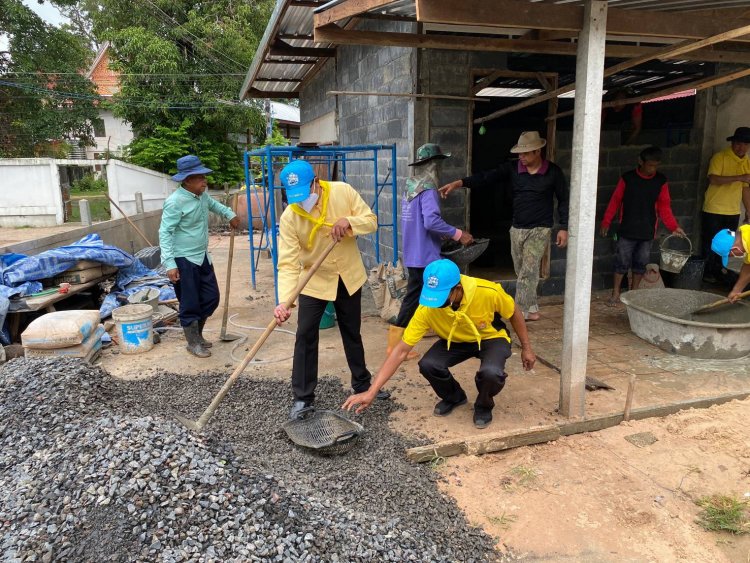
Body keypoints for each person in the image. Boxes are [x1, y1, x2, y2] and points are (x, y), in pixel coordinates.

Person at [343, 259, 536, 429]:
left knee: (491, 373)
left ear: (457, 290)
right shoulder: (427, 307)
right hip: (456, 340)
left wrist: (526, 348)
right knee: (429, 364)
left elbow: (514, 312)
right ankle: (454, 397)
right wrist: (371, 391)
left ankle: (484, 405)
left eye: (442, 296)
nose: (435, 302)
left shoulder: (487, 291)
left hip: (489, 337)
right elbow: (400, 351)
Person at [272, 159, 390, 419]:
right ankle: (303, 398)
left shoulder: (342, 191)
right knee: (305, 334)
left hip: (347, 275)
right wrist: (285, 301)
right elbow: (288, 263)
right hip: (313, 281)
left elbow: (371, 221)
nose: (302, 201)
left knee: (352, 331)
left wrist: (349, 222)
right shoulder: (290, 216)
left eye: (305, 193)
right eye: (295, 197)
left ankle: (362, 383)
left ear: (316, 182)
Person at [439, 131, 569, 322]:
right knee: (521, 270)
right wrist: (459, 183)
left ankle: (518, 312)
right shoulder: (513, 168)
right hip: (517, 228)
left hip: (540, 229)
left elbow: (564, 200)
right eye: (520, 153)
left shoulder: (553, 172)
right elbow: (486, 177)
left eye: (525, 153)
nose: (521, 157)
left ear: (537, 151)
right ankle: (532, 309)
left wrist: (564, 227)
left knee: (528, 272)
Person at [388, 143, 474, 359]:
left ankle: (445, 335)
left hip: (413, 250)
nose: (441, 168)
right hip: (425, 255)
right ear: (434, 164)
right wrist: (457, 234)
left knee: (425, 296)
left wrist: (441, 233)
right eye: (439, 163)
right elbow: (431, 221)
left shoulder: (410, 188)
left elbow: (420, 222)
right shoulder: (428, 190)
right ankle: (394, 347)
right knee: (419, 297)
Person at [160, 155, 241, 358]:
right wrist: (169, 263)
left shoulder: (201, 195)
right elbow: (165, 232)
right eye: (200, 178)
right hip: (183, 259)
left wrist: (229, 214)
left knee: (211, 297)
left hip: (202, 256)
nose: (205, 181)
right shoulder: (175, 202)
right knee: (189, 302)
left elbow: (215, 206)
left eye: (204, 177)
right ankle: (193, 342)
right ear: (187, 180)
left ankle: (198, 335)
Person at [600, 146, 686, 305]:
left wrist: (673, 226)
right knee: (621, 263)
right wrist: (606, 221)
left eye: (655, 165)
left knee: (640, 265)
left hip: (647, 231)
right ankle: (616, 292)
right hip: (627, 229)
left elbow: (664, 207)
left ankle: (633, 294)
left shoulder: (660, 181)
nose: (652, 169)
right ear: (641, 161)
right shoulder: (627, 179)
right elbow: (615, 201)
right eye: (650, 165)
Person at [701, 127, 750, 283]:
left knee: (727, 246)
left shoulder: (747, 162)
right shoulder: (720, 157)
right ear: (732, 143)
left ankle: (719, 272)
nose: (740, 147)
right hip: (714, 209)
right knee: (710, 243)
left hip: (733, 211)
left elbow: (745, 189)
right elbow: (714, 179)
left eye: (744, 144)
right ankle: (706, 274)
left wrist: (748, 211)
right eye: (737, 143)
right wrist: (739, 177)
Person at [711, 226, 750, 303]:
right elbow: (748, 268)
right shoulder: (746, 234)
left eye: (730, 255)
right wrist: (736, 290)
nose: (734, 257)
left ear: (735, 249)